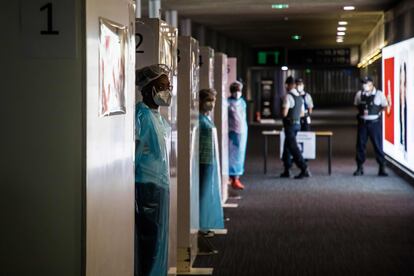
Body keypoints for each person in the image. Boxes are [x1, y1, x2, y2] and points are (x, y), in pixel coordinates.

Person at [135, 64, 172, 276]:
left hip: (159, 184)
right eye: (162, 86)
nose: (168, 91)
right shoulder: (142, 117)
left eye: (169, 86)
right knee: (149, 242)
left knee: (158, 239)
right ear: (149, 88)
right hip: (147, 186)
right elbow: (135, 154)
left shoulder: (156, 116)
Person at [199, 88, 225, 231]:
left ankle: (205, 222)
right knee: (203, 193)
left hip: (210, 160)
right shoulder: (198, 118)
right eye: (208, 100)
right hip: (202, 161)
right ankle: (201, 224)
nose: (211, 104)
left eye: (213, 101)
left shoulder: (206, 117)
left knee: (208, 192)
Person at [353, 76, 389, 177]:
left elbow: (385, 106)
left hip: (375, 123)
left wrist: (377, 113)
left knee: (378, 145)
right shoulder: (359, 94)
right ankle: (359, 167)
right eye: (363, 83)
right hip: (363, 123)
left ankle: (382, 167)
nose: (364, 85)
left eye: (366, 83)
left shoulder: (379, 94)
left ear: (371, 83)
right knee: (360, 145)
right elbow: (357, 105)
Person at [280, 76, 311, 179]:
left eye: (286, 85)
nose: (286, 87)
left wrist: (286, 113)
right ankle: (287, 169)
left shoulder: (288, 97)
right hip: (297, 124)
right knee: (287, 146)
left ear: (289, 85)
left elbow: (284, 113)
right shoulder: (299, 97)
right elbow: (302, 113)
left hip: (290, 125)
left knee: (293, 148)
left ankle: (304, 168)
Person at [228, 81, 248, 190]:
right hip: (232, 132)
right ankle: (232, 177)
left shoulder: (242, 102)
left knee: (240, 154)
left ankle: (236, 177)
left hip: (242, 131)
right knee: (232, 154)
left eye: (239, 90)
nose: (237, 93)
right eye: (235, 90)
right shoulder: (227, 103)